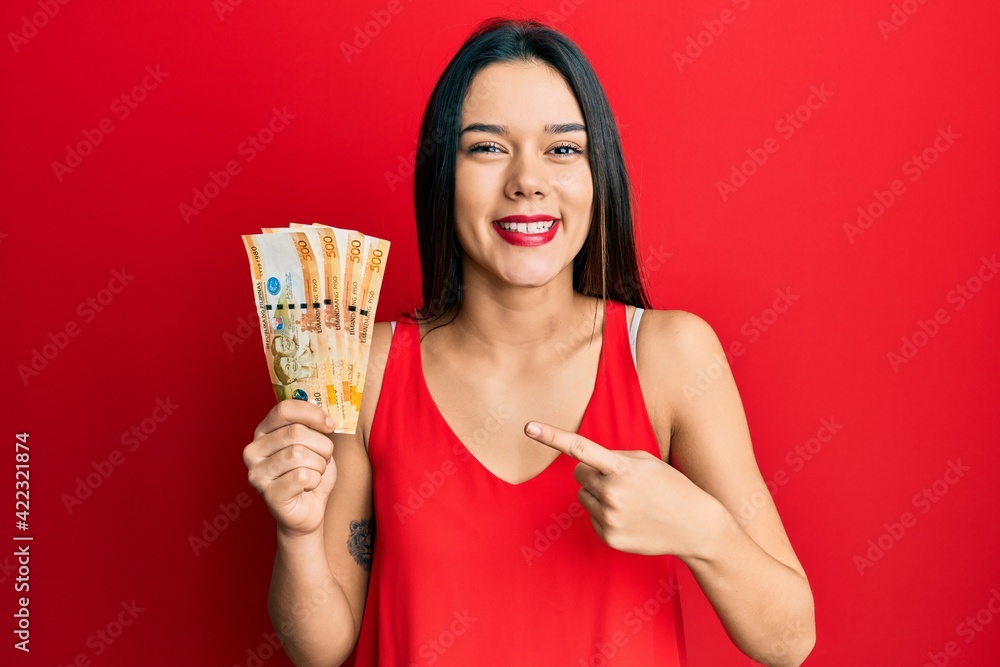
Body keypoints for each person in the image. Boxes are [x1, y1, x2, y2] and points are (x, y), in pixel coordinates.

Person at [243, 16, 815, 667]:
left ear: (600, 176)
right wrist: (299, 530)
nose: (527, 180)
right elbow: (321, 647)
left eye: (563, 150)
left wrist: (700, 527)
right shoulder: (369, 367)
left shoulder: (671, 356)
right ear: (440, 174)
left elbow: (789, 639)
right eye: (487, 148)